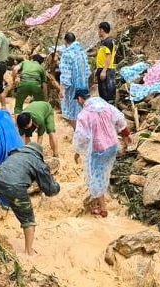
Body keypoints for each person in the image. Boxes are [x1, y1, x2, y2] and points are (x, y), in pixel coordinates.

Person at [0, 105, 60, 255]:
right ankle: (29, 252)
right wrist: (56, 187)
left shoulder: (15, 151)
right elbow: (50, 189)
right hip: (15, 187)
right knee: (28, 219)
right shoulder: (4, 115)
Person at [72, 89, 130, 217]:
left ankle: (103, 209)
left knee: (96, 176)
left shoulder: (84, 115)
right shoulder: (104, 105)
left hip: (99, 149)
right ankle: (97, 201)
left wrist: (77, 152)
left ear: (80, 99)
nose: (77, 102)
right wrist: (126, 135)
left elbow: (81, 136)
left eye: (77, 100)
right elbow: (120, 118)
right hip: (113, 145)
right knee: (103, 173)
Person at [59, 32, 91, 122]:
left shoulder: (67, 54)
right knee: (82, 109)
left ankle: (77, 130)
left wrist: (62, 89)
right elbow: (87, 70)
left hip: (72, 88)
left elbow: (66, 74)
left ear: (65, 41)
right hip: (83, 85)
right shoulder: (82, 52)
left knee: (72, 113)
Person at [95, 22, 117, 104]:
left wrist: (104, 70)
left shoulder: (109, 41)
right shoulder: (103, 42)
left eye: (99, 30)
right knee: (102, 94)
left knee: (108, 94)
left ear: (102, 30)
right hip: (102, 69)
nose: (98, 32)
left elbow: (109, 56)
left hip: (107, 70)